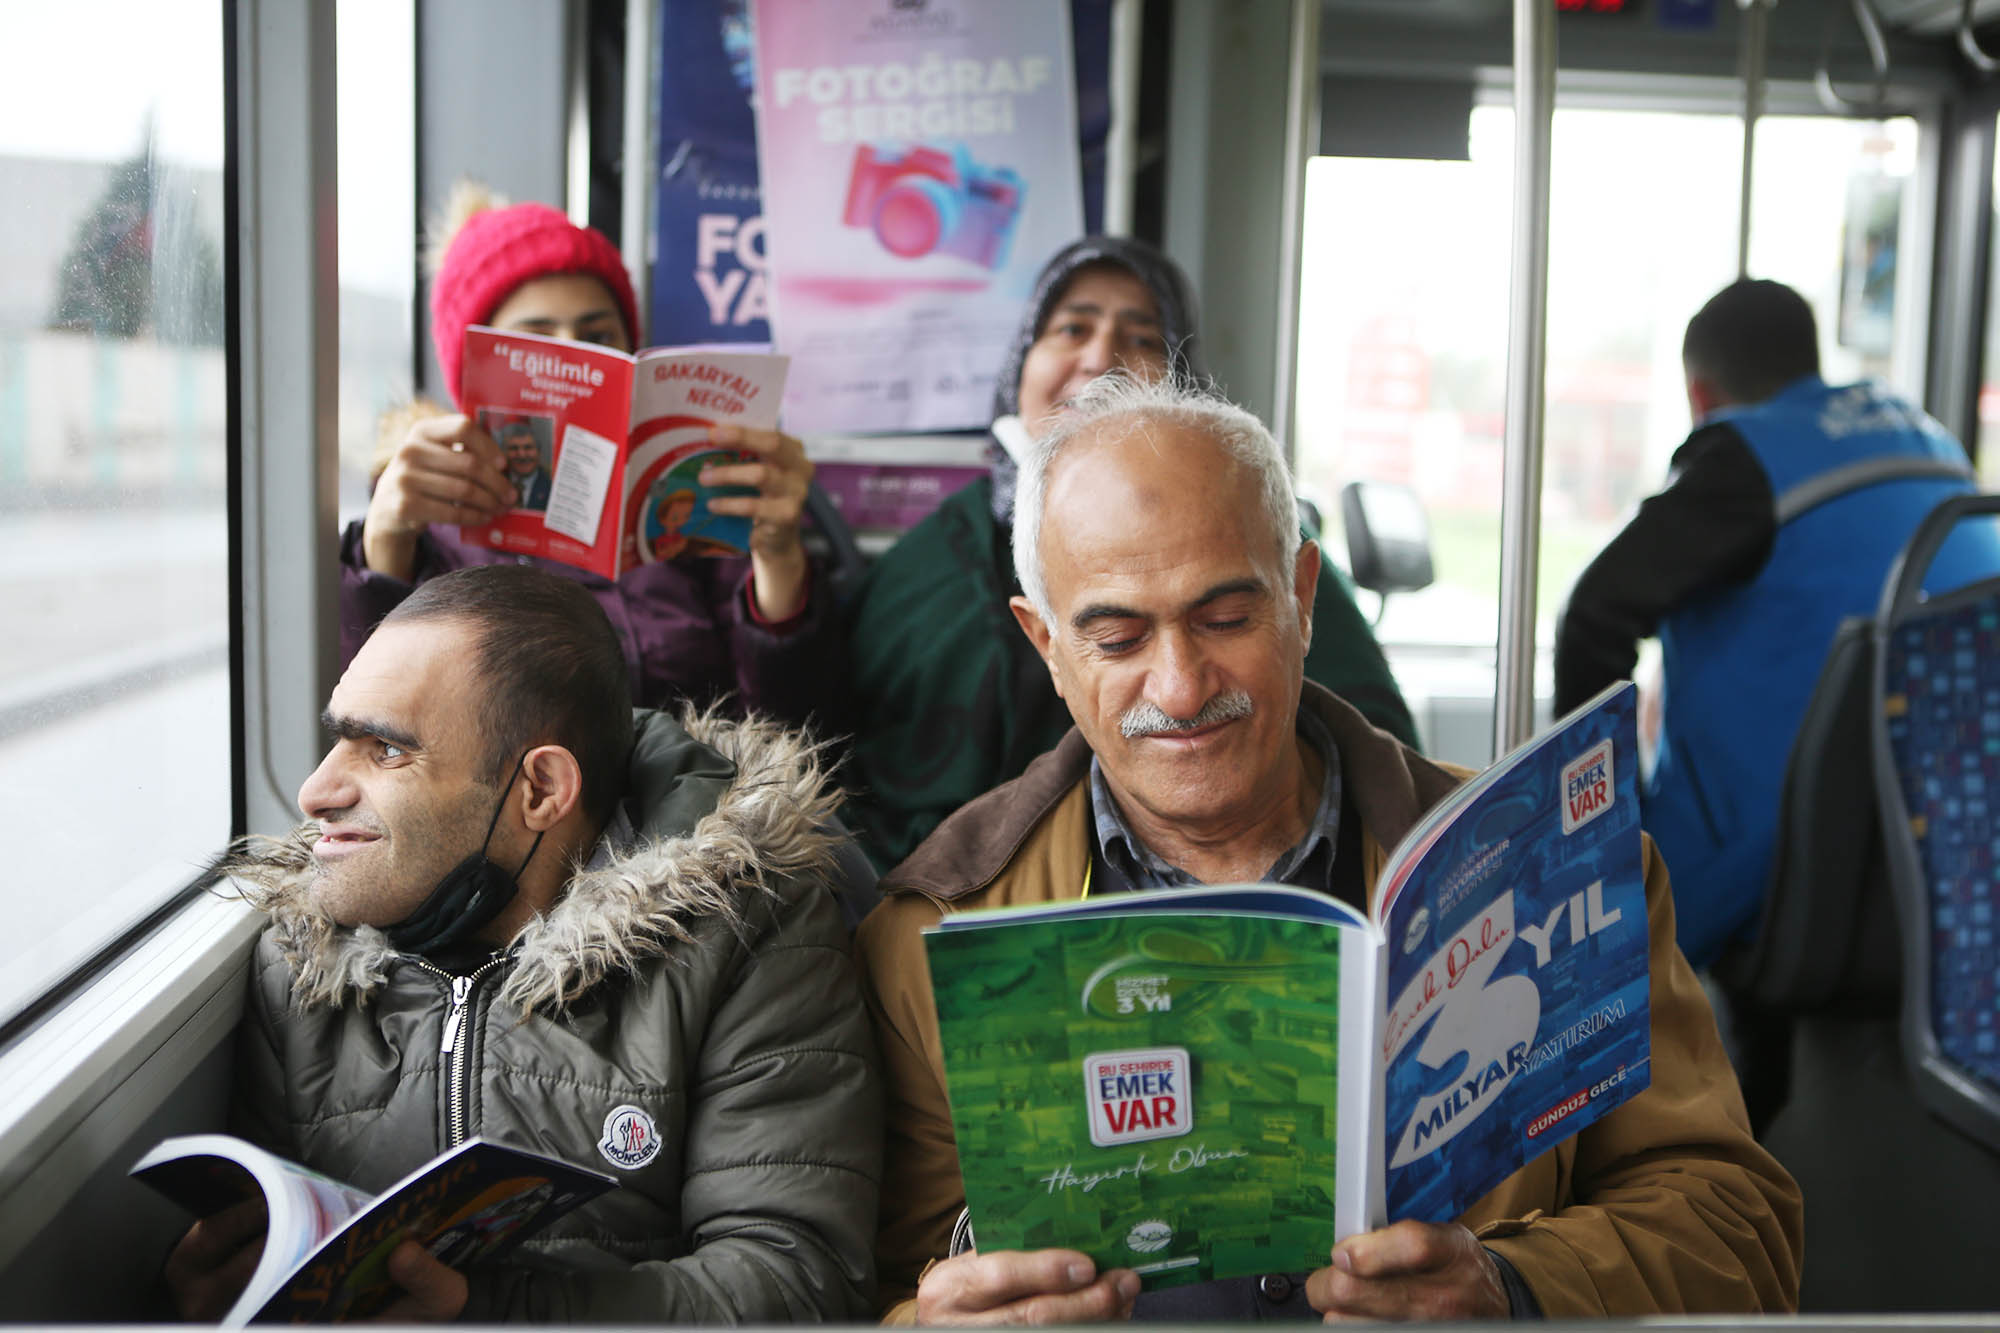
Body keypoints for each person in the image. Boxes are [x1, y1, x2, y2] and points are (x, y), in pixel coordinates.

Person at [855, 376, 1802, 1322]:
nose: (1181, 688)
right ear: (1047, 644)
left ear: (1303, 597)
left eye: (1226, 618)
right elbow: (876, 1287)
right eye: (1116, 636)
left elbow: (1737, 1226)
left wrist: (1515, 1289)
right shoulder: (935, 936)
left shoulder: (1556, 862)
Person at [167, 565, 880, 1322]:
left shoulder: (748, 930)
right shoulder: (301, 962)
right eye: (338, 737)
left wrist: (490, 1313)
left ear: (540, 789)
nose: (315, 791)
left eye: (385, 749)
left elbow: (802, 1279)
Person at [841, 235, 1418, 871]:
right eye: (1071, 329)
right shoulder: (925, 565)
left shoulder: (1258, 543)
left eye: (1142, 337)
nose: (1099, 358)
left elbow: (1380, 773)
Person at [1553, 278, 2000, 970]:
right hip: (1957, 855)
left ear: (1700, 397)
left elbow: (1592, 614)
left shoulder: (1743, 460)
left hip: (1784, 874)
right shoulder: (1931, 443)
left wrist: (1601, 834)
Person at [343, 182, 842, 730]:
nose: (574, 357)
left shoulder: (687, 492)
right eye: (537, 342)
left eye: (597, 336)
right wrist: (386, 542)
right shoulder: (429, 516)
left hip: (696, 796)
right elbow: (375, 730)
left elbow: (791, 728)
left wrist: (779, 561)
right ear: (473, 370)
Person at [495, 417, 551, 511]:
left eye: (528, 448)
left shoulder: (551, 486)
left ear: (539, 452)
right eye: (513, 448)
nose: (521, 455)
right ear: (504, 453)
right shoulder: (495, 483)